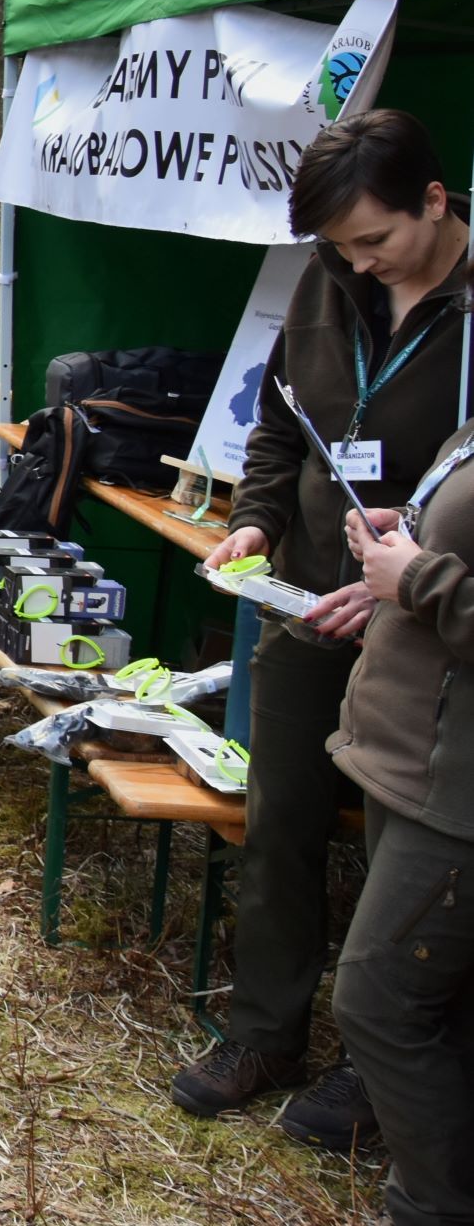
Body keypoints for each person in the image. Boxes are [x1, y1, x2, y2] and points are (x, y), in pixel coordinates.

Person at [175, 106, 468, 1147]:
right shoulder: (327, 283)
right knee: (280, 821)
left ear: (435, 202)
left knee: (404, 856)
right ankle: (264, 1029)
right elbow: (278, 428)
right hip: (304, 602)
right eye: (342, 247)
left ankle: (378, 1066)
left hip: (427, 634)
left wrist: (410, 576)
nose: (360, 261)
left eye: (377, 241)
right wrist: (254, 524)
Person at [332, 466, 474, 1226]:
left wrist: (420, 577)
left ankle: (431, 1210)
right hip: (408, 762)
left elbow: (445, 584)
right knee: (441, 1012)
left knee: (378, 1002)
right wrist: (402, 535)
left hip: (457, 798)